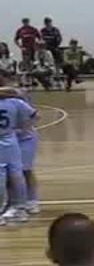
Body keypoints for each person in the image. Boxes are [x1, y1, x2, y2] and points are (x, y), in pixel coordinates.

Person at [0, 92, 34, 225]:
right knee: (17, 175)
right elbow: (34, 115)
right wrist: (24, 129)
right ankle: (20, 209)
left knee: (1, 177)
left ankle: (1, 212)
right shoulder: (15, 102)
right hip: (11, 139)